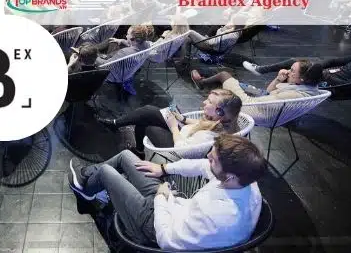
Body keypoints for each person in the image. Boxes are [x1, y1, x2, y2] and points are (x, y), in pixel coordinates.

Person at [68, 135, 267, 250]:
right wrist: (163, 169)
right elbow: (202, 166)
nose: (207, 157)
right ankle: (87, 179)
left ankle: (86, 186)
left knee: (106, 172)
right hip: (170, 206)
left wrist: (161, 198)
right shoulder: (245, 181)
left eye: (213, 159)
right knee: (126, 157)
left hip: (153, 228)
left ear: (230, 176)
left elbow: (166, 240)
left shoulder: (218, 216)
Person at [96, 90, 242, 155]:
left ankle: (117, 126)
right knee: (148, 112)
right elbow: (200, 124)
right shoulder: (218, 122)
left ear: (219, 112)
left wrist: (173, 127)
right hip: (182, 133)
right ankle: (135, 146)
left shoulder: (208, 136)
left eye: (209, 102)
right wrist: (181, 118)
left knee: (146, 120)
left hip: (177, 148)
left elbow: (182, 150)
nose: (204, 102)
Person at [243, 36, 351, 86]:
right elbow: (335, 61)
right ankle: (260, 70)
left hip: (331, 84)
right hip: (324, 74)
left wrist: (322, 74)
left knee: (294, 70)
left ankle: (270, 95)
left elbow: (349, 86)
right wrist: (318, 66)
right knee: (295, 62)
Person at [192, 60, 324, 104]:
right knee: (229, 77)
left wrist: (237, 90)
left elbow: (250, 103)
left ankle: (202, 82)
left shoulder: (291, 95)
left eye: (292, 71)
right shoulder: (303, 87)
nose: (289, 72)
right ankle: (205, 81)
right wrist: (278, 79)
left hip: (249, 105)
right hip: (262, 97)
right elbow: (268, 93)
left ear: (302, 78)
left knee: (224, 75)